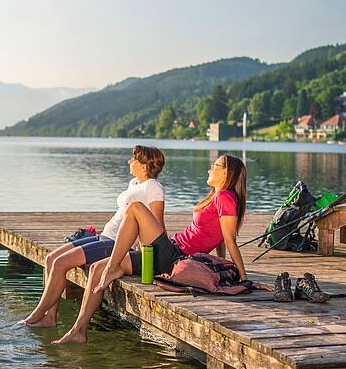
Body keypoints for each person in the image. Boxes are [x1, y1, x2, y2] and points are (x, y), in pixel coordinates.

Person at [54, 153, 248, 344]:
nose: (209, 168)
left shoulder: (225, 197)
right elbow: (221, 238)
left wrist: (243, 277)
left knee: (135, 208)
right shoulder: (219, 196)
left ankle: (113, 267)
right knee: (97, 269)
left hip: (174, 257)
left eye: (214, 166)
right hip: (169, 250)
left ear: (226, 173)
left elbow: (229, 240)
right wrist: (223, 263)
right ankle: (79, 330)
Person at [22, 145, 166, 328]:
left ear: (144, 166)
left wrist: (156, 255)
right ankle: (50, 317)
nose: (130, 161)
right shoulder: (134, 183)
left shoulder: (153, 187)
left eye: (134, 159)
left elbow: (157, 224)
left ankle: (35, 315)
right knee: (51, 259)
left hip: (116, 243)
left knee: (60, 264)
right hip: (105, 235)